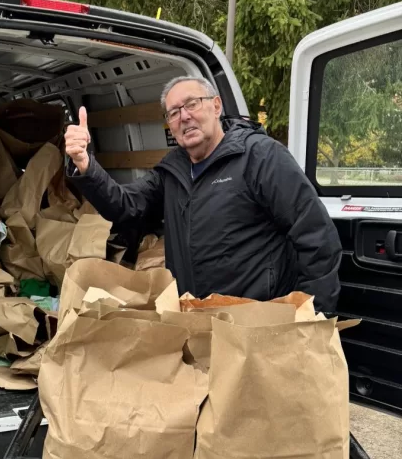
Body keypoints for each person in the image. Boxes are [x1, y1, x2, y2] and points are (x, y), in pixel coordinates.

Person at [65, 76, 342, 311]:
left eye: (192, 104)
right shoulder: (171, 172)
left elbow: (317, 238)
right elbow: (124, 206)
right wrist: (86, 165)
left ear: (216, 105)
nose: (184, 116)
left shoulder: (260, 157)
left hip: (255, 326)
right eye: (173, 113)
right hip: (195, 318)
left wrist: (310, 314)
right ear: (170, 126)